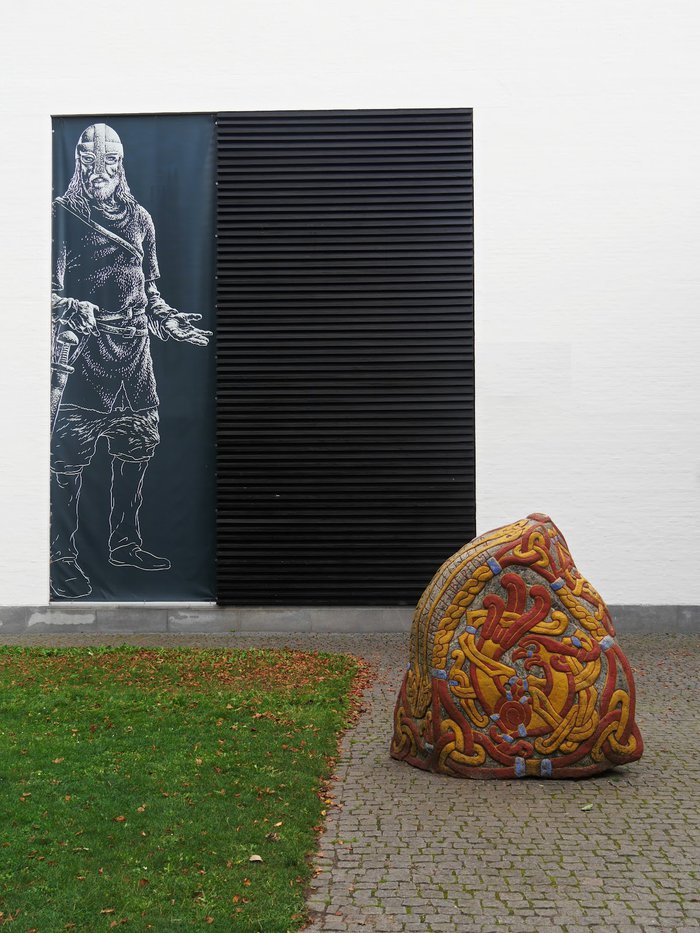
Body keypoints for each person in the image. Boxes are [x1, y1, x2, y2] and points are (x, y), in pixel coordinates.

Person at [50, 123, 211, 599]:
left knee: (136, 449)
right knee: (69, 460)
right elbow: (45, 292)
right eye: (91, 161)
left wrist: (169, 320)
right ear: (79, 163)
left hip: (135, 356)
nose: (101, 171)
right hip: (87, 354)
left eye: (111, 161)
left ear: (121, 165)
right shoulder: (63, 215)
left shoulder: (140, 219)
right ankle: (62, 556)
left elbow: (149, 292)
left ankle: (124, 543)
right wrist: (72, 307)